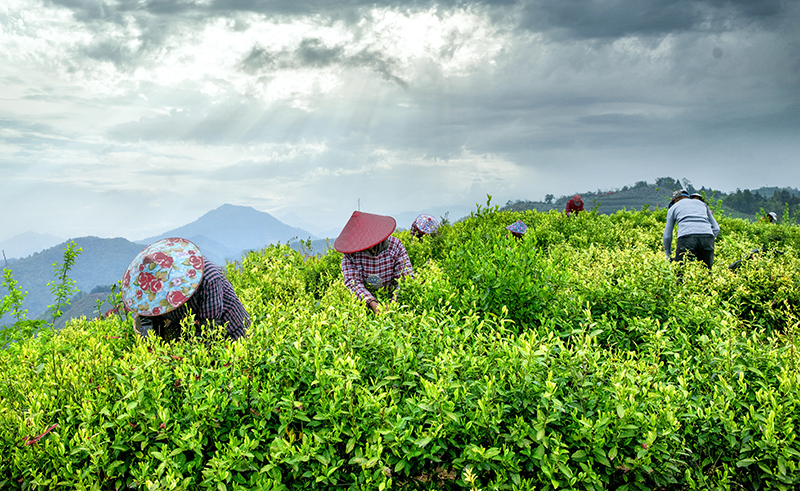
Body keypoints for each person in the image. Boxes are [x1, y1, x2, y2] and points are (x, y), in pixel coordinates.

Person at [121, 237, 250, 341]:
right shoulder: (149, 289)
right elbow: (148, 316)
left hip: (230, 331)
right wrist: (150, 345)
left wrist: (187, 355)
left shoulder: (209, 278)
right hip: (186, 329)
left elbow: (209, 328)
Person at [335, 211, 413, 314]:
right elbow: (352, 282)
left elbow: (405, 278)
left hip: (393, 301)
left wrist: (393, 302)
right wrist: (372, 303)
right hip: (362, 306)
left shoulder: (395, 246)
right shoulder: (350, 253)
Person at [663, 190, 720, 270]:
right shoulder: (702, 204)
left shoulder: (674, 207)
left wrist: (668, 254)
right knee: (705, 272)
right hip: (707, 237)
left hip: (686, 238)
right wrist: (707, 239)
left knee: (681, 272)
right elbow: (716, 228)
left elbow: (667, 236)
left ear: (676, 200)